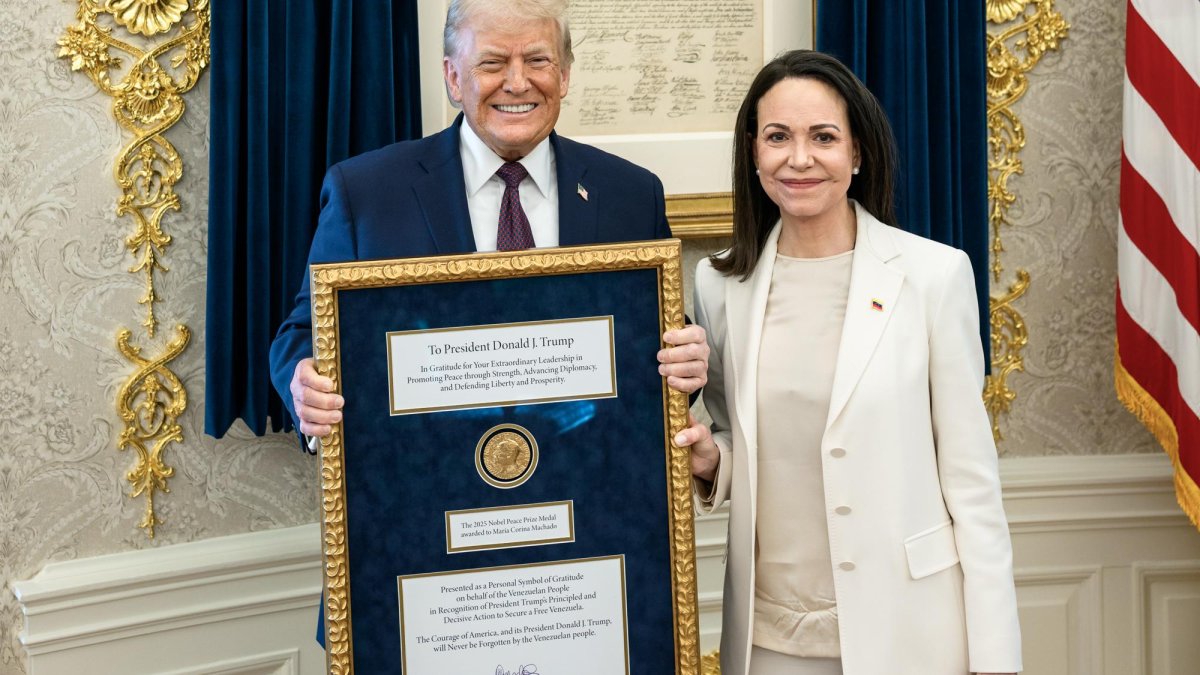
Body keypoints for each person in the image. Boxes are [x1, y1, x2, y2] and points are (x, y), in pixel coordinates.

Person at [675, 50, 1022, 675]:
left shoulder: (934, 276)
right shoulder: (720, 284)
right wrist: (710, 460)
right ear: (754, 153)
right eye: (778, 137)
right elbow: (737, 436)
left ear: (857, 154)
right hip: (767, 639)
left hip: (909, 630)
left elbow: (972, 484)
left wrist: (997, 660)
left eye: (824, 138)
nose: (799, 158)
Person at [269, 0, 709, 441]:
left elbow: (654, 340)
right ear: (454, 78)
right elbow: (306, 332)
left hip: (586, 477)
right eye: (493, 63)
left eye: (538, 60)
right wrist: (305, 383)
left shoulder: (630, 194)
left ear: (565, 74)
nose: (517, 83)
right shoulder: (366, 194)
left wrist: (685, 359)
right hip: (426, 481)